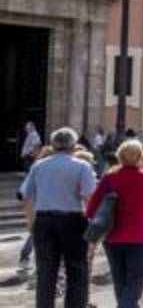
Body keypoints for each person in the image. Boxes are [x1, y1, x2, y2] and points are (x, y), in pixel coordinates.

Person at [21, 127, 96, 308]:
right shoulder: (82, 166)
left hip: (45, 220)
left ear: (53, 145)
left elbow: (25, 194)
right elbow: (90, 195)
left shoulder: (39, 166)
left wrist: (31, 220)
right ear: (74, 145)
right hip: (73, 220)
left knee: (46, 271)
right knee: (77, 269)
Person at [86, 139, 143, 308]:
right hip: (141, 237)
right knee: (137, 280)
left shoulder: (109, 178)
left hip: (113, 237)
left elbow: (91, 209)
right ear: (139, 157)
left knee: (120, 282)